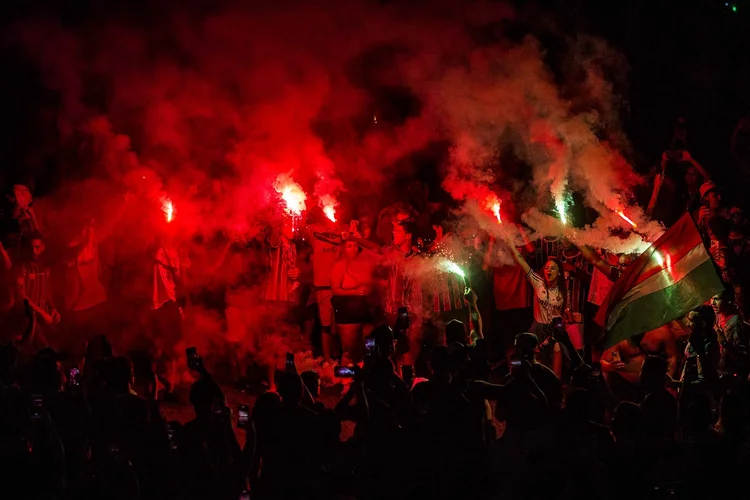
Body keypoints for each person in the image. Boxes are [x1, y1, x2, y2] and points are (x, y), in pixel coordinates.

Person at [501, 231, 565, 378]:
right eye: (547, 268)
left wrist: (551, 339)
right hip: (537, 330)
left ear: (559, 273)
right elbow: (521, 261)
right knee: (537, 371)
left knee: (555, 375)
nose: (548, 270)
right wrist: (510, 242)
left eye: (553, 268)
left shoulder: (562, 293)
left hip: (552, 333)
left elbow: (559, 321)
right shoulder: (538, 282)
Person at [331, 238, 376, 363]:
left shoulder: (365, 263)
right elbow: (335, 289)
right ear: (344, 248)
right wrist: (354, 292)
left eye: (356, 246)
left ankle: (364, 378)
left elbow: (377, 251)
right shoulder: (339, 265)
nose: (354, 249)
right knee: (349, 350)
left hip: (366, 309)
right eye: (349, 246)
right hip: (347, 310)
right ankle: (346, 379)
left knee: (368, 347)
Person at [306, 211, 343, 361]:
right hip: (323, 285)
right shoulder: (314, 230)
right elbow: (299, 225)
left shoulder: (341, 231)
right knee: (326, 325)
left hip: (340, 285)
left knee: (338, 326)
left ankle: (337, 356)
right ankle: (328, 359)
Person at [14, 234, 59, 351]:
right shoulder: (20, 269)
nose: (34, 250)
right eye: (31, 247)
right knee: (44, 349)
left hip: (43, 319)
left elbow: (47, 290)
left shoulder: (42, 268)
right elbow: (22, 297)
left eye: (37, 247)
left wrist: (53, 309)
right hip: (28, 319)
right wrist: (42, 314)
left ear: (43, 247)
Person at [711, 288, 749, 378]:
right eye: (712, 298)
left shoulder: (735, 322)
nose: (712, 303)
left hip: (731, 377)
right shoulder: (717, 317)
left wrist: (724, 342)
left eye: (717, 299)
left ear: (728, 301)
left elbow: (743, 358)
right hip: (718, 374)